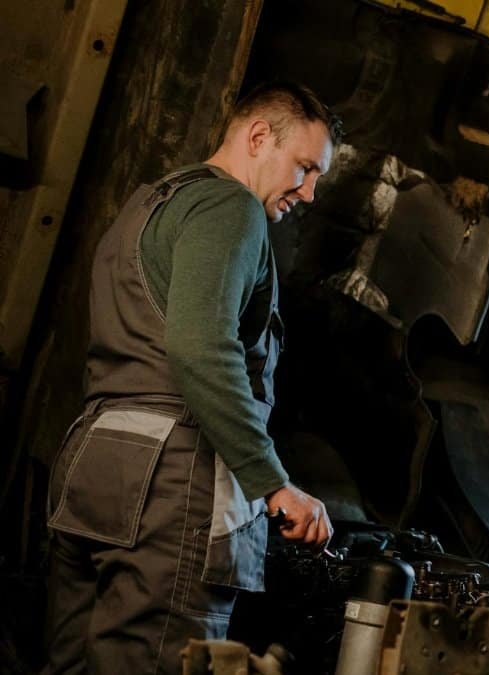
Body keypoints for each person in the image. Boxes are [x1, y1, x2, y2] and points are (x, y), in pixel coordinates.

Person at [42, 81, 341, 674]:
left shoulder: (150, 202)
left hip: (94, 466)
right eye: (305, 168)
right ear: (259, 137)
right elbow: (201, 347)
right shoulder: (232, 209)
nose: (307, 192)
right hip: (170, 483)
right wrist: (273, 483)